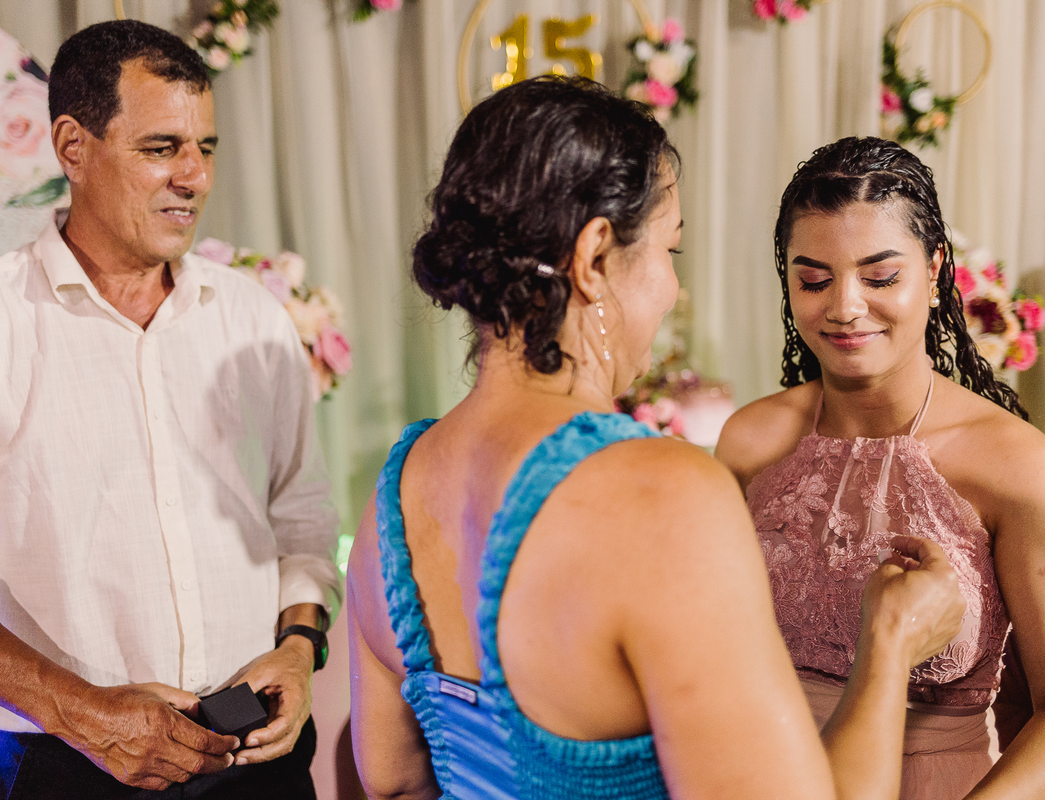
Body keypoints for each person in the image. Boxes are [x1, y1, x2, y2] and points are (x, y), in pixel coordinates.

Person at [346, 77, 965, 800]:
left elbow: (392, 784)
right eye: (669, 250)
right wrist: (889, 647)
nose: (671, 287)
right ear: (595, 255)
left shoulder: (391, 498)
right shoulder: (661, 494)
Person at [0, 20, 340, 799]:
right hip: (60, 769)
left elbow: (302, 523)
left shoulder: (254, 319)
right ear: (73, 148)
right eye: (160, 147)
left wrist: (300, 649)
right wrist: (84, 715)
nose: (195, 176)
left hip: (260, 764)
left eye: (205, 148)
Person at [716, 136, 1045, 799]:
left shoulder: (1017, 465)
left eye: (879, 277)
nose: (843, 307)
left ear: (933, 271)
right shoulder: (750, 440)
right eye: (813, 278)